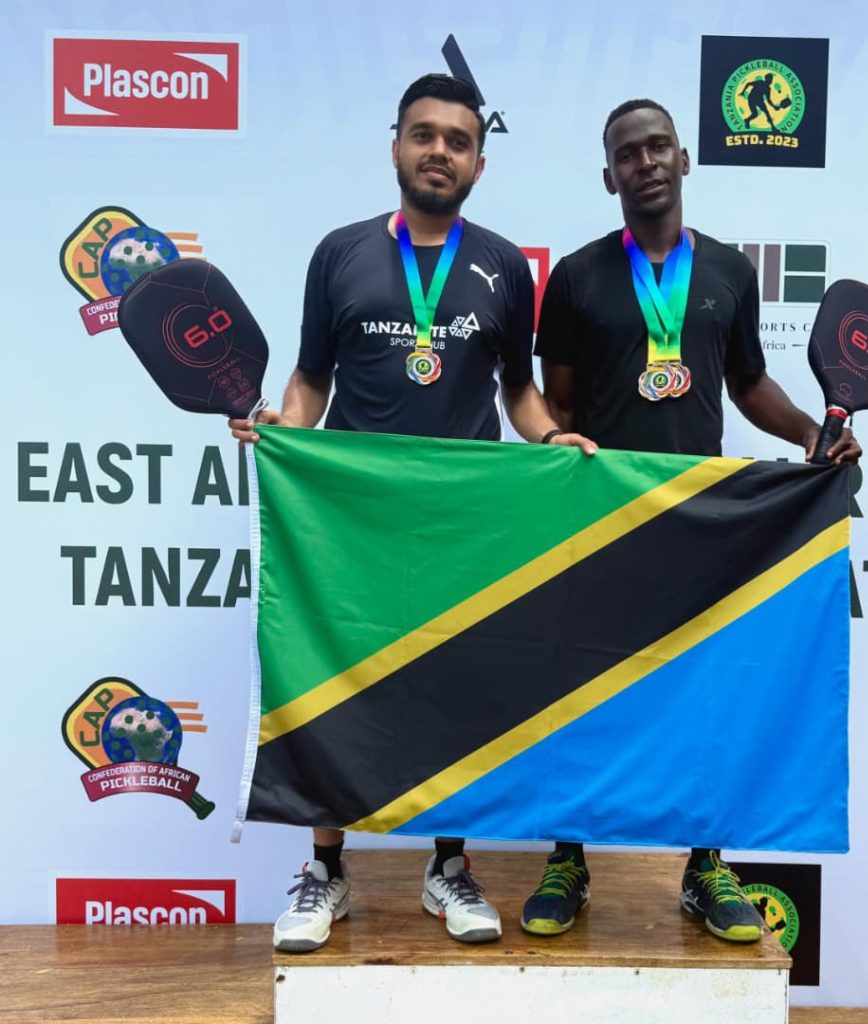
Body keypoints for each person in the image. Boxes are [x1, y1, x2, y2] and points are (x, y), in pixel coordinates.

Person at [230, 73, 594, 953]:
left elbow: (518, 390)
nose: (440, 151)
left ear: (479, 163)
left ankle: (449, 865)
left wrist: (553, 438)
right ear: (395, 145)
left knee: (454, 682)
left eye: (458, 141)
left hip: (462, 520)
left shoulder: (505, 266)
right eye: (424, 134)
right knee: (330, 678)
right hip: (349, 519)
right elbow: (311, 378)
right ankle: (326, 870)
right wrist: (285, 434)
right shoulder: (340, 253)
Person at [524, 98, 860, 943]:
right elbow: (556, 404)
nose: (644, 162)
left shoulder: (729, 274)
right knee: (583, 691)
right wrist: (569, 471)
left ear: (683, 158)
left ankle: (705, 865)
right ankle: (568, 857)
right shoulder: (575, 276)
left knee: (702, 693)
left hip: (697, 521)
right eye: (626, 154)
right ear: (609, 177)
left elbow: (748, 385)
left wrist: (812, 434)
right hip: (601, 520)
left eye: (657, 147)